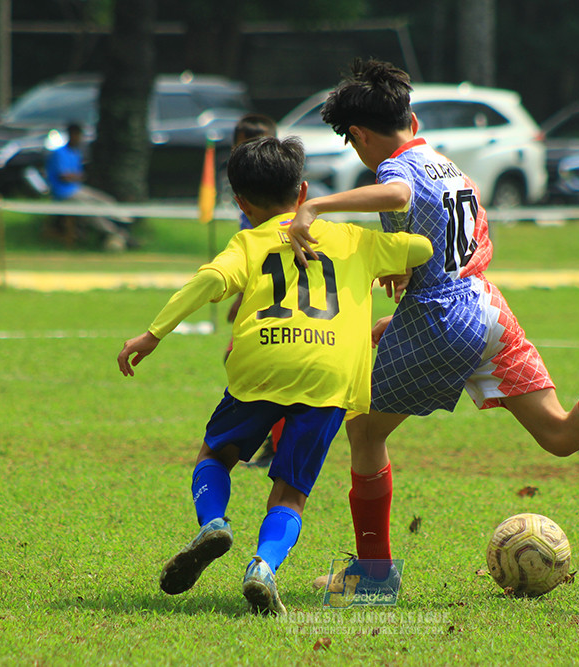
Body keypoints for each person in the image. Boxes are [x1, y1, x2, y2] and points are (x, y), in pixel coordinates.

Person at [285, 59, 579, 593]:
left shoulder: (395, 170)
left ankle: (374, 579)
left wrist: (316, 206)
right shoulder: (448, 166)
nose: (358, 155)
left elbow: (399, 196)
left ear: (359, 134)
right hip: (485, 308)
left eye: (352, 144)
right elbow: (473, 242)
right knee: (560, 434)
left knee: (362, 429)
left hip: (443, 318)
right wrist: (408, 299)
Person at [116, 135, 433, 615]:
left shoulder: (248, 241)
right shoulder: (353, 239)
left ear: (241, 203)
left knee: (214, 454)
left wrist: (152, 335)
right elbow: (425, 247)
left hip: (260, 365)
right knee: (290, 491)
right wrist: (402, 265)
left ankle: (213, 524)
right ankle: (263, 565)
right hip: (329, 375)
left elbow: (207, 282)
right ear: (304, 192)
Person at [223, 113, 282, 469]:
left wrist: (243, 295)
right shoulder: (247, 187)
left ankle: (271, 441)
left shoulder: (272, 188)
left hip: (275, 292)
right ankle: (271, 440)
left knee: (255, 361)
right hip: (258, 288)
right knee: (241, 359)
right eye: (244, 144)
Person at [45, 122, 134, 251]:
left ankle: (124, 224)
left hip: (76, 189)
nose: (78, 138)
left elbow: (77, 176)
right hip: (63, 193)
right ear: (71, 135)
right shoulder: (59, 153)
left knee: (104, 200)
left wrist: (76, 177)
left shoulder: (75, 153)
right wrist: (76, 176)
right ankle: (114, 233)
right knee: (91, 210)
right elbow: (64, 177)